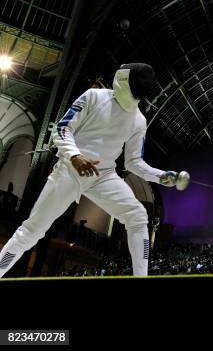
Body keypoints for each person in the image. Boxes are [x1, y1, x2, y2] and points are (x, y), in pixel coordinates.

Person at [0, 63, 181, 277]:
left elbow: (133, 162)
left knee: (138, 215)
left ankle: (141, 277)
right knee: (32, 231)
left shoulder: (139, 121)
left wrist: (160, 176)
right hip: (69, 170)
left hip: (103, 175)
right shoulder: (94, 96)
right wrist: (75, 156)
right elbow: (62, 128)